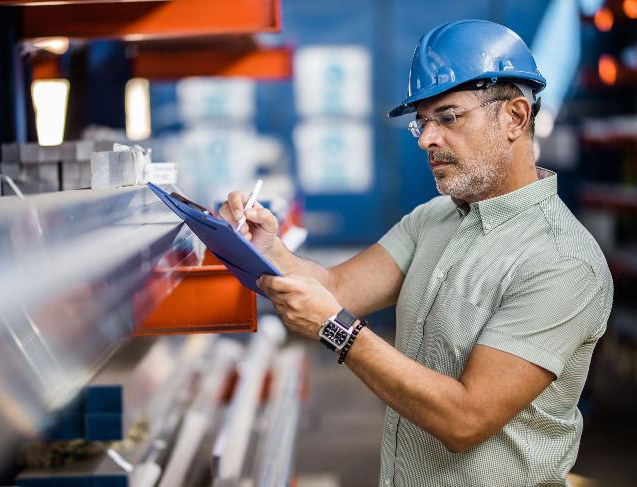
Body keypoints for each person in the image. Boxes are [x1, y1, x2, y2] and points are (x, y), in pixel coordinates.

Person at [219, 19, 613, 487]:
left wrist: (339, 332)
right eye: (423, 123)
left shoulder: (561, 262)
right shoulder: (434, 218)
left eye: (448, 117)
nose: (427, 139)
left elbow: (465, 419)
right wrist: (270, 249)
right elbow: (339, 289)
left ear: (515, 117)